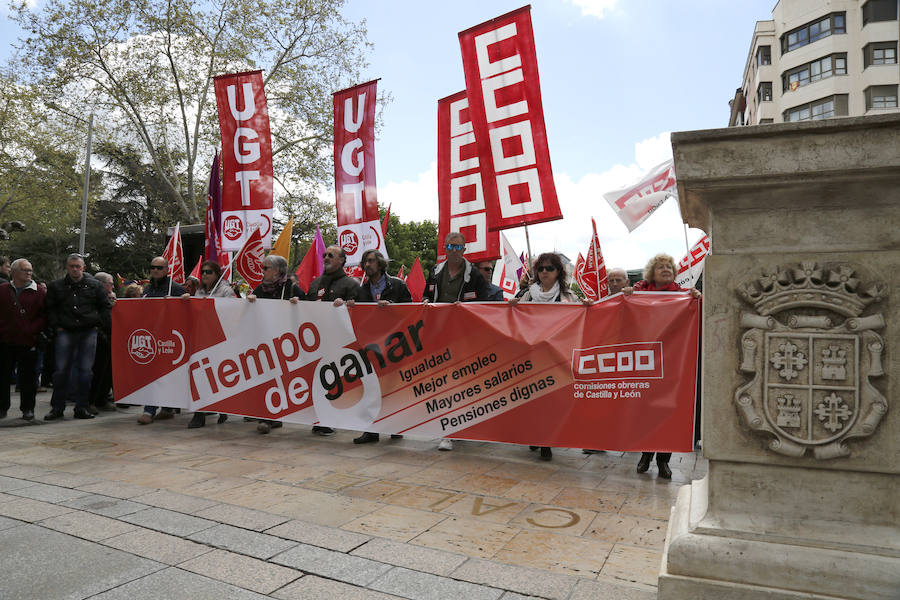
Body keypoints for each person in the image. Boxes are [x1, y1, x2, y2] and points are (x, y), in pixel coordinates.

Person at [623, 253, 701, 479]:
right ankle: (646, 454)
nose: (666, 269)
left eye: (669, 267)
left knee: (669, 411)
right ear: (652, 273)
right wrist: (626, 296)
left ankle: (663, 460)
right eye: (661, 267)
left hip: (672, 361)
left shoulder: (683, 295)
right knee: (647, 411)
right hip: (646, 362)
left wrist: (697, 298)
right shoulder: (638, 293)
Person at [509, 252, 580, 461]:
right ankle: (537, 435)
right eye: (541, 269)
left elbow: (580, 322)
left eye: (550, 268)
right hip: (532, 356)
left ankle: (546, 441)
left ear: (558, 271)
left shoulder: (569, 297)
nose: (545, 272)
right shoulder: (527, 295)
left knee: (552, 401)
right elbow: (514, 320)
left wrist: (587, 308)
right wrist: (511, 308)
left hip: (557, 357)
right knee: (534, 400)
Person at [424, 232, 488, 451]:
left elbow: (484, 305)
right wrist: (425, 303)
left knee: (461, 383)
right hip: (439, 336)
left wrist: (467, 310)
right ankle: (448, 430)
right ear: (444, 248)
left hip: (464, 337)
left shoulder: (475, 275)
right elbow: (426, 296)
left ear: (464, 249)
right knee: (443, 383)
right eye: (450, 247)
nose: (454, 251)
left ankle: (457, 427)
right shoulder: (435, 272)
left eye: (458, 247)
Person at [345, 249, 411, 444]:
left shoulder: (397, 285)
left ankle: (395, 427)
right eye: (365, 261)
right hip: (371, 346)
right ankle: (371, 431)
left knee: (392, 387)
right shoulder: (361, 290)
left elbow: (409, 309)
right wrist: (352, 306)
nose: (367, 264)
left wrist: (392, 306)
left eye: (371, 261)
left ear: (381, 264)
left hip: (393, 344)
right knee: (371, 387)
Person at [44, 253, 111, 421]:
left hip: (88, 331)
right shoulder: (56, 286)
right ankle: (57, 407)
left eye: (78, 266)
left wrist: (101, 326)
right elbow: (49, 308)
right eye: (72, 266)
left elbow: (105, 307)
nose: (75, 269)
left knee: (85, 372)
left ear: (83, 268)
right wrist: (57, 327)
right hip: (65, 331)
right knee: (61, 372)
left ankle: (82, 407)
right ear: (67, 267)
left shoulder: (95, 286)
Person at [305, 245, 359, 435]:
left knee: (334, 381)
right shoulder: (315, 284)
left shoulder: (351, 285)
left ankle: (331, 419)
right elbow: (305, 308)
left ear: (342, 260)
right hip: (314, 342)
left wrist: (347, 306)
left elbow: (359, 313)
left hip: (339, 342)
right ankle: (320, 418)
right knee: (317, 381)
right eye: (325, 255)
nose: (326, 257)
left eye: (331, 255)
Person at [248, 254, 303, 434]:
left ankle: (274, 417)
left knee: (279, 379)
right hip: (263, 341)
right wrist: (249, 301)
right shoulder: (259, 289)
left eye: (266, 268)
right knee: (265, 379)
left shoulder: (292, 288)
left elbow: (308, 308)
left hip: (285, 342)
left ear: (277, 270)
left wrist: (298, 304)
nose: (262, 271)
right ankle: (267, 417)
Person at [185, 260, 240, 429]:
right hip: (201, 338)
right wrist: (188, 301)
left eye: (208, 272)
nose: (204, 275)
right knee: (200, 375)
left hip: (219, 339)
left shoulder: (226, 290)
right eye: (203, 271)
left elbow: (232, 311)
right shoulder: (200, 291)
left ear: (217, 274)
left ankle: (222, 409)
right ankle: (199, 415)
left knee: (216, 376)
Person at [583, 267, 630, 455]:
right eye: (611, 280)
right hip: (607, 359)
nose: (615, 284)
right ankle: (597, 441)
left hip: (629, 359)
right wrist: (588, 308)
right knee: (603, 400)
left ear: (627, 282)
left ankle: (632, 439)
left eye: (619, 280)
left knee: (629, 401)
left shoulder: (637, 300)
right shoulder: (601, 303)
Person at [137, 256, 185, 424]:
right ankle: (150, 410)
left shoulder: (176, 288)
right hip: (151, 338)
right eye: (153, 267)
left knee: (167, 375)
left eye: (159, 267)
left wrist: (179, 302)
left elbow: (186, 311)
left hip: (170, 339)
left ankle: (166, 408)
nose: (155, 270)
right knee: (151, 373)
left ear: (166, 270)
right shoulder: (147, 289)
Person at [0, 259, 46, 420]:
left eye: (30, 270)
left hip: (28, 341)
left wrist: (32, 330)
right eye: (25, 270)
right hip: (5, 340)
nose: (29, 273)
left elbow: (44, 315)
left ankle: (28, 408)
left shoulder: (39, 291)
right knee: (2, 376)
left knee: (28, 378)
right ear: (14, 272)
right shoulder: (3, 290)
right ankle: (2, 407)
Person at [87, 272, 118, 414]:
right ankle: (90, 401)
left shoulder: (107, 297)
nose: (113, 286)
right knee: (97, 371)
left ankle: (102, 399)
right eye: (110, 283)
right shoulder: (93, 297)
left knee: (108, 371)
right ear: (101, 284)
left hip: (110, 337)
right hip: (98, 336)